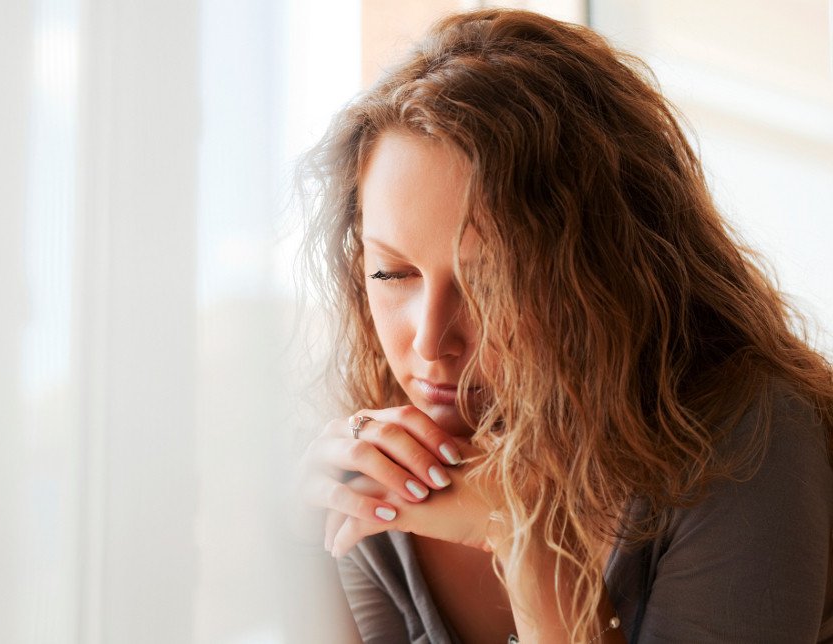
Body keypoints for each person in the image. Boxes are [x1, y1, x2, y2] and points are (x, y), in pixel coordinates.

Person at [295, 8, 833, 643]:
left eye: (492, 282)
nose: (428, 341)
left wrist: (526, 542)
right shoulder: (378, 459)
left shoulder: (747, 441)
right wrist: (305, 558)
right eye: (392, 274)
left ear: (609, 270)